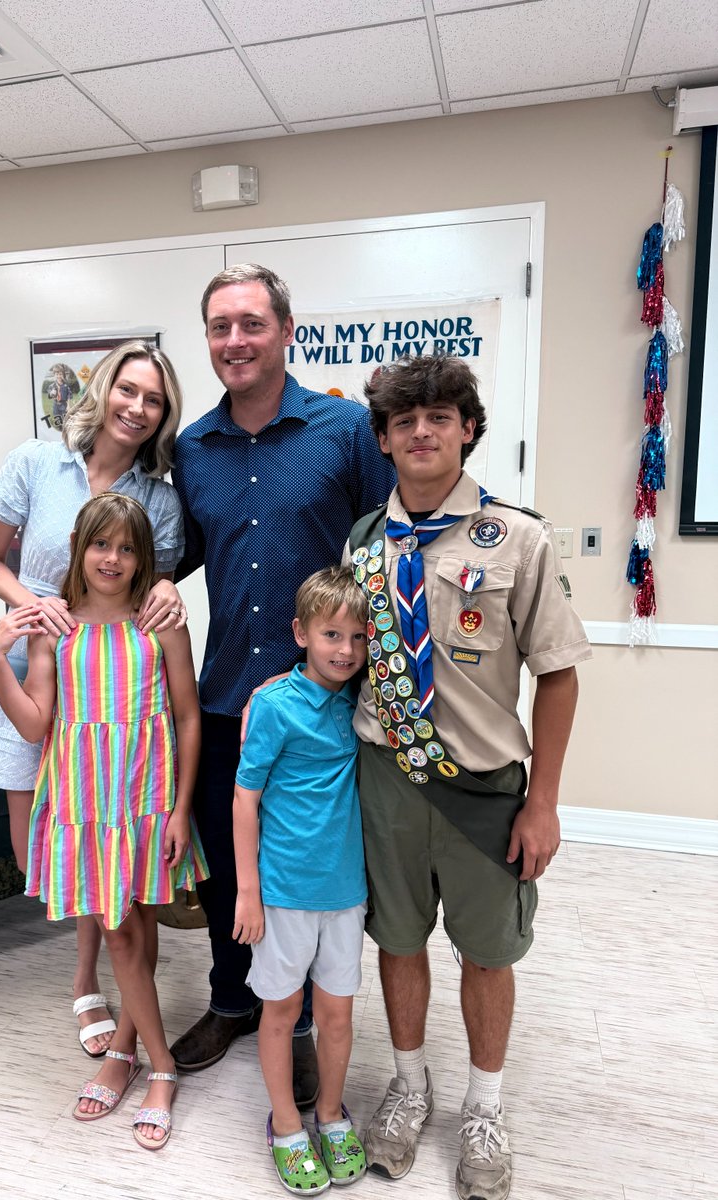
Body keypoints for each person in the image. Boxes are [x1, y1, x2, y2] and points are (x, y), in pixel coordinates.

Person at [347, 356, 591, 1200]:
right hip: (384, 780)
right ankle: (410, 1084)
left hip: (485, 791)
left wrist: (545, 803)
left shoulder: (518, 537)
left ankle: (484, 1104)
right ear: (382, 438)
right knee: (400, 941)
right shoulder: (362, 544)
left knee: (488, 954)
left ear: (468, 430)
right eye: (405, 420)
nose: (422, 430)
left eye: (441, 416)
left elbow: (558, 673)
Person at [170, 263, 395, 1104]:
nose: (236, 341)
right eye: (221, 326)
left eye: (252, 324)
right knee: (229, 870)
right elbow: (184, 552)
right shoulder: (193, 448)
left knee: (308, 868)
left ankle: (297, 1020)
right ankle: (235, 1000)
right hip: (228, 695)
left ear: (287, 329)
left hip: (326, 706)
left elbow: (384, 545)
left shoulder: (341, 430)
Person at [0, 341, 188, 1060]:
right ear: (105, 389)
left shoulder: (159, 495)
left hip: (114, 697)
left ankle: (88, 977)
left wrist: (164, 588)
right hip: (37, 669)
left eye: (152, 400)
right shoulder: (38, 462)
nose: (136, 407)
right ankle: (94, 962)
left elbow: (159, 581)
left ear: (162, 415)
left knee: (100, 835)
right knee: (41, 858)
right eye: (128, 390)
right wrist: (33, 610)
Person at [0, 492, 207, 1146]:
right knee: (118, 934)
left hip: (146, 797)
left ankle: (129, 1051)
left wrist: (181, 808)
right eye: (100, 544)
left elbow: (189, 716)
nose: (112, 558)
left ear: (143, 559)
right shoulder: (58, 627)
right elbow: (34, 725)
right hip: (85, 806)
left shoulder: (158, 620)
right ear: (80, 549)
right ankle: (161, 1067)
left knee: (137, 922)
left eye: (128, 547)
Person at [233, 567, 370, 1193]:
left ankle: (331, 1114)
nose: (345, 650)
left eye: (358, 637)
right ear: (301, 634)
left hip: (345, 893)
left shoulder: (364, 698)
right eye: (331, 635)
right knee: (282, 1010)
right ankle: (286, 1124)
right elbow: (244, 797)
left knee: (337, 1015)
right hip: (283, 893)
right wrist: (247, 891)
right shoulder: (273, 706)